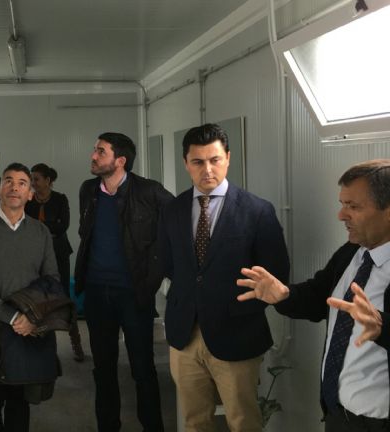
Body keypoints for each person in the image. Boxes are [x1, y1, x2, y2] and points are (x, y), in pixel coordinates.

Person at [237, 159, 390, 431]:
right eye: (342, 204)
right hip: (338, 416)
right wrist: (284, 295)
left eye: (353, 207)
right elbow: (319, 298)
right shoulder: (351, 253)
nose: (341, 215)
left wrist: (382, 327)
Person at [158, 123, 289, 432]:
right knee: (194, 421)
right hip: (185, 333)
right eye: (198, 161)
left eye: (214, 159)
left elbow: (275, 275)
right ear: (186, 163)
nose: (207, 169)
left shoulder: (257, 211)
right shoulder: (173, 210)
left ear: (228, 158)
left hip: (237, 333)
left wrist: (237, 307)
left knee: (243, 421)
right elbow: (168, 263)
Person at [75, 132, 173, 432]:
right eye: (94, 149)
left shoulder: (149, 191)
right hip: (96, 293)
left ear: (120, 161)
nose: (93, 156)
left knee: (142, 368)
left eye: (100, 151)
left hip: (134, 293)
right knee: (103, 368)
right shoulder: (88, 190)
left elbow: (175, 229)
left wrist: (155, 275)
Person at [0, 162, 60, 432]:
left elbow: (51, 280)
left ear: (31, 194)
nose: (14, 187)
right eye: (8, 181)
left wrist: (32, 318)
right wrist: (15, 317)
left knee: (20, 400)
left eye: (22, 183)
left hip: (27, 330)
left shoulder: (40, 232)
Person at [25, 163, 85, 362]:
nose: (33, 183)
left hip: (59, 254)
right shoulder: (29, 201)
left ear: (48, 180)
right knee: (38, 298)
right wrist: (48, 227)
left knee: (63, 297)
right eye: (31, 179)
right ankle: (41, 346)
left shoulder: (60, 199)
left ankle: (75, 341)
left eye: (36, 179)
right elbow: (26, 225)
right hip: (35, 255)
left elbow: (63, 226)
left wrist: (40, 227)